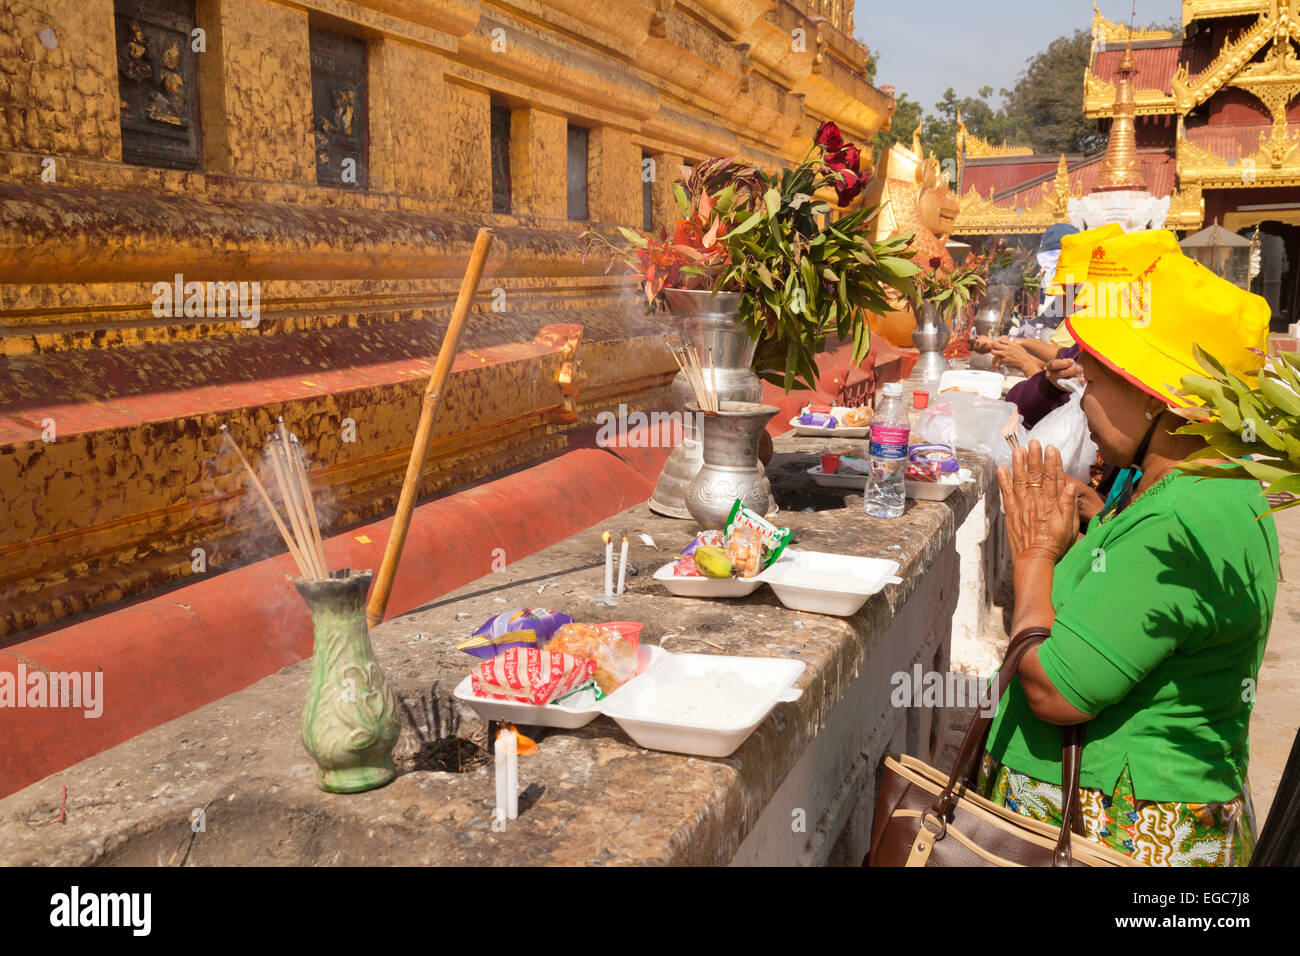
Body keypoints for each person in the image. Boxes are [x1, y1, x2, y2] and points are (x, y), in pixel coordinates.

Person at [980, 226, 1279, 866]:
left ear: (1157, 397)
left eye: (1102, 373)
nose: (1080, 387)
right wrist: (1094, 531)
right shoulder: (1197, 490)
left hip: (1123, 833)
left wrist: (1034, 557)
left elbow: (1055, 690)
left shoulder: (1187, 519)